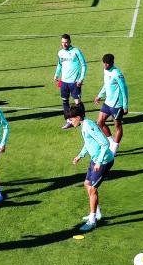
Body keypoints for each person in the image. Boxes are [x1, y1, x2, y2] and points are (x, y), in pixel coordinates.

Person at [65, 104, 114, 232]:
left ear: (78, 117)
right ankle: (97, 213)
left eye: (71, 119)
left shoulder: (89, 125)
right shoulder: (84, 125)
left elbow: (105, 143)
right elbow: (88, 143)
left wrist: (98, 161)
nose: (70, 122)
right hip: (95, 159)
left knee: (92, 189)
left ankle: (92, 221)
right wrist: (79, 156)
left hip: (103, 161)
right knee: (87, 184)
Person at [94, 53, 129, 155]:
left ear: (112, 63)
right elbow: (106, 84)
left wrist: (125, 106)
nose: (105, 66)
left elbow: (124, 89)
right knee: (100, 122)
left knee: (117, 126)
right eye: (104, 63)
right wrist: (99, 95)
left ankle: (115, 147)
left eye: (107, 64)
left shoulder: (117, 73)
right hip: (107, 102)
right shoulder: (105, 70)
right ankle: (111, 141)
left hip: (117, 105)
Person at [53, 34, 87, 130]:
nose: (64, 44)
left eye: (66, 42)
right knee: (65, 101)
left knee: (77, 102)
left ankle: (83, 120)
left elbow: (84, 65)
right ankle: (69, 121)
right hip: (64, 82)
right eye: (63, 42)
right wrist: (56, 75)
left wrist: (81, 78)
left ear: (70, 41)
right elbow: (59, 65)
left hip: (74, 82)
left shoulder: (76, 51)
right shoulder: (60, 53)